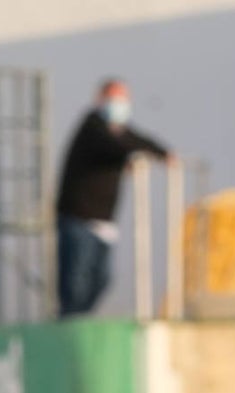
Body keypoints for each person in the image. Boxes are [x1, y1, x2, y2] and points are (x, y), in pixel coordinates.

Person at [54, 78, 171, 316]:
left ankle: (78, 320)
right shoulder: (93, 127)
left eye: (123, 99)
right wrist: (129, 157)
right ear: (101, 100)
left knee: (102, 280)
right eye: (115, 99)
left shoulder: (119, 131)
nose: (120, 104)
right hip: (78, 219)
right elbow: (116, 146)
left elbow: (135, 139)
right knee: (75, 283)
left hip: (103, 221)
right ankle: (70, 324)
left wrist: (163, 154)